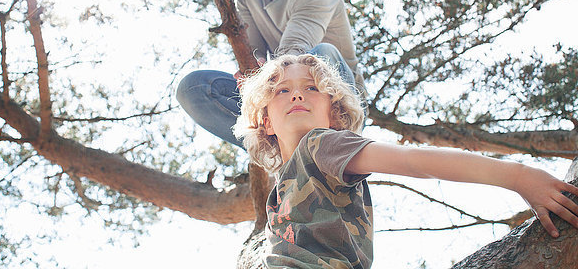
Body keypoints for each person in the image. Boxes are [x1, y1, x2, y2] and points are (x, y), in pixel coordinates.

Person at [233, 53, 578, 268]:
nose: (296, 93)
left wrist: (516, 176)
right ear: (264, 120)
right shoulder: (281, 187)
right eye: (281, 90)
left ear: (334, 114)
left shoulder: (322, 145)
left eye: (311, 88)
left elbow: (414, 160)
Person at [176, 0, 364, 148]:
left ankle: (331, 146)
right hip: (281, 98)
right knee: (193, 87)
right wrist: (250, 77)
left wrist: (261, 79)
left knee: (321, 54)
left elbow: (294, 52)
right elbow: (253, 57)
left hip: (337, 102)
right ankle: (276, 149)